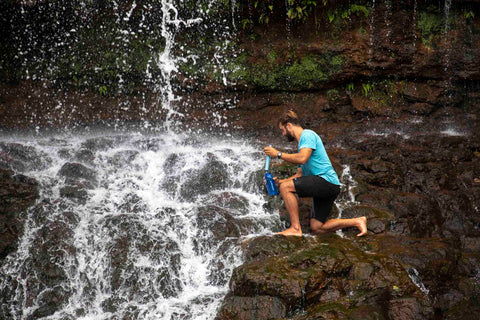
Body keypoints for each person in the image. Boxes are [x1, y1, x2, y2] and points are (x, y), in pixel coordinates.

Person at [264, 110, 367, 237]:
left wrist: (278, 154)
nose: (283, 133)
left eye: (282, 129)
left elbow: (302, 158)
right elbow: (299, 175)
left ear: (289, 125)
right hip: (329, 186)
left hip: (326, 181)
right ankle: (357, 221)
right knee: (317, 227)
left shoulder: (307, 135)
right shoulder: (302, 145)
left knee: (287, 188)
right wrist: (280, 182)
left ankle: (295, 228)